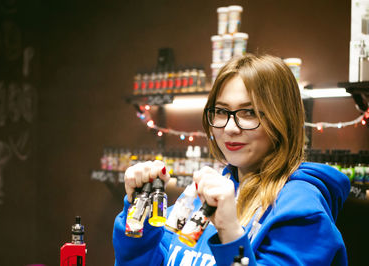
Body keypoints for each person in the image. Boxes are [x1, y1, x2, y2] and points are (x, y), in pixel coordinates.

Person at [112, 54, 350, 265]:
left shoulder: (302, 213)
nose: (230, 127)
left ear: (282, 120)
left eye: (249, 113)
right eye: (222, 111)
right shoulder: (200, 195)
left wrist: (230, 233)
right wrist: (139, 210)